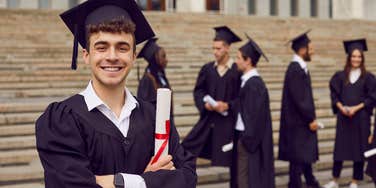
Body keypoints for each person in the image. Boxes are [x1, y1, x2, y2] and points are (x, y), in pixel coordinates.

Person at [35, 1, 197, 188]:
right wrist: (148, 181)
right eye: (101, 47)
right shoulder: (62, 120)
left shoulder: (155, 117)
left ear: (134, 56)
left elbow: (187, 178)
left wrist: (108, 181)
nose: (112, 56)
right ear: (86, 55)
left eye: (122, 48)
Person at [182, 26, 241, 168]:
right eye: (213, 48)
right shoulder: (207, 69)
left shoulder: (237, 71)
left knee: (234, 160)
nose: (215, 52)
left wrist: (228, 106)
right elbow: (198, 91)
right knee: (185, 148)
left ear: (227, 48)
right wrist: (204, 104)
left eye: (218, 48)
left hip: (228, 122)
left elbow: (242, 97)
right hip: (208, 119)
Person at [324, 39, 376, 188]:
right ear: (349, 57)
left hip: (361, 118)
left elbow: (371, 98)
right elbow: (335, 95)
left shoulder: (369, 78)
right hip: (344, 117)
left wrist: (356, 108)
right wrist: (341, 107)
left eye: (359, 56)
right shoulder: (340, 76)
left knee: (359, 150)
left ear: (362, 58)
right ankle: (334, 179)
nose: (356, 59)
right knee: (340, 149)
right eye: (353, 56)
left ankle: (355, 181)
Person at [229, 34, 275, 188]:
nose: (236, 61)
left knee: (246, 180)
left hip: (249, 142)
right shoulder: (249, 82)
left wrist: (245, 141)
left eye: (238, 58)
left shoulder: (254, 85)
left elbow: (255, 119)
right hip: (246, 139)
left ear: (248, 60)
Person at [278, 30, 321, 188]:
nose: (313, 51)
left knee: (302, 157)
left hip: (299, 123)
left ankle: (310, 181)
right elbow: (300, 99)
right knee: (297, 160)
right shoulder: (295, 69)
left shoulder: (300, 67)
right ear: (302, 50)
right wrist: (311, 118)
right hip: (298, 124)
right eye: (310, 49)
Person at [137, 38, 171, 103]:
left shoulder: (160, 76)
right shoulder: (147, 80)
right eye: (163, 56)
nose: (166, 60)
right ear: (154, 58)